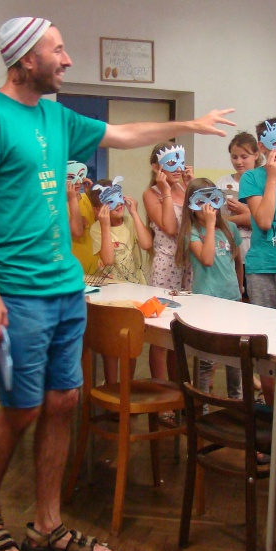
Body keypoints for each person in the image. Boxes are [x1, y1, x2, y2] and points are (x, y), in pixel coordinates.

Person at [0, 16, 233, 551]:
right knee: (20, 408)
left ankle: (47, 524)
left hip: (66, 289)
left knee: (64, 401)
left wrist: (189, 124)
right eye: (57, 50)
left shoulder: (56, 116)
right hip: (17, 293)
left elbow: (123, 135)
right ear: (25, 59)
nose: (67, 59)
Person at [239, 118, 276, 408]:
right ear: (262, 147)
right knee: (265, 342)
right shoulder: (252, 178)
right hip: (262, 267)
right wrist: (273, 179)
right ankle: (272, 411)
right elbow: (263, 221)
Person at [175, 177, 243, 400]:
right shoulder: (192, 232)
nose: (208, 207)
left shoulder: (231, 228)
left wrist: (240, 290)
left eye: (212, 199)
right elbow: (207, 259)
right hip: (206, 302)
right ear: (191, 206)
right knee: (206, 360)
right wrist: (211, 226)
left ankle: (237, 404)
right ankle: (201, 407)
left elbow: (237, 262)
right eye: (201, 202)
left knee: (236, 358)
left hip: (232, 299)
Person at [88, 178, 153, 386]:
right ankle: (111, 387)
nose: (118, 204)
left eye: (118, 197)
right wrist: (105, 226)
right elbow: (107, 260)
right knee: (111, 344)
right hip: (112, 295)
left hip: (136, 292)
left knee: (132, 343)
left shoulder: (130, 222)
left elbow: (146, 244)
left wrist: (135, 213)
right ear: (99, 209)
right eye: (110, 201)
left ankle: (127, 386)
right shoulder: (97, 229)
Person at [142, 143, 193, 393]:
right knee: (161, 335)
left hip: (189, 266)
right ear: (156, 167)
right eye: (171, 163)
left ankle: (178, 392)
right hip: (166, 265)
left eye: (180, 161)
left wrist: (192, 188)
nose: (178, 168)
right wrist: (165, 191)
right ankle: (161, 396)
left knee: (182, 334)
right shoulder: (151, 193)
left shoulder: (185, 189)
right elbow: (171, 228)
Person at [215, 131, 261, 272]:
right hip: (228, 252)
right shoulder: (223, 182)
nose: (238, 162)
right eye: (234, 157)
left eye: (244, 157)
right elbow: (215, 218)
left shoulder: (263, 182)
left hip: (256, 252)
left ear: (256, 155)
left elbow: (262, 220)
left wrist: (241, 211)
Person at [65, 163, 98, 274]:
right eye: (71, 177)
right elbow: (78, 232)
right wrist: (72, 199)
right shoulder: (58, 205)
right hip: (74, 270)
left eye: (80, 176)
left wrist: (92, 195)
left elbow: (100, 223)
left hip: (94, 267)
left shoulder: (86, 198)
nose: (78, 182)